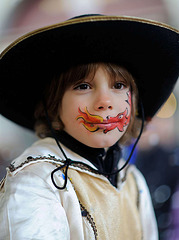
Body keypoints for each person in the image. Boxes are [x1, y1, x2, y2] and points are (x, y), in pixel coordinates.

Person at [0, 14, 178, 240]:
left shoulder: (132, 180)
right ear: (54, 105)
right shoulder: (35, 180)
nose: (105, 101)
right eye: (83, 86)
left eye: (119, 85)